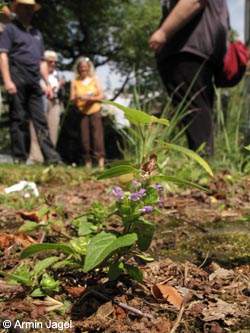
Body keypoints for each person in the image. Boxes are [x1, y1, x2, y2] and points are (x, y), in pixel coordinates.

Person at [148, 0, 229, 157]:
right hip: (203, 48)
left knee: (194, 109)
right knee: (198, 109)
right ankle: (203, 164)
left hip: (188, 48)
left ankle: (202, 168)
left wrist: (163, 31)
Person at [0, 0, 62, 164]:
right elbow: (3, 55)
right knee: (18, 118)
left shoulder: (37, 33)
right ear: (17, 9)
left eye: (30, 8)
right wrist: (7, 80)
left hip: (34, 79)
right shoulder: (10, 30)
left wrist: (47, 83)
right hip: (16, 76)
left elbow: (42, 62)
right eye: (24, 8)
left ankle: (51, 157)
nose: (27, 11)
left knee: (40, 120)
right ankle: (19, 158)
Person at [28, 50, 65, 164]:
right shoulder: (37, 73)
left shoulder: (57, 74)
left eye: (55, 62)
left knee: (53, 129)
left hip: (54, 103)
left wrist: (60, 86)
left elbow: (60, 91)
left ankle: (50, 156)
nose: (53, 64)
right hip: (41, 101)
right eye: (50, 62)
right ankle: (36, 157)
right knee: (37, 130)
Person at [70, 56, 105, 169]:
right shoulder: (75, 82)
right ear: (78, 69)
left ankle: (100, 162)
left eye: (85, 67)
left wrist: (90, 99)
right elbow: (72, 99)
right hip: (82, 112)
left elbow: (101, 96)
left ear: (89, 68)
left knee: (97, 137)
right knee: (84, 138)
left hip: (95, 110)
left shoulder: (95, 79)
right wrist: (79, 97)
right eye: (81, 67)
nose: (83, 69)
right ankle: (87, 162)